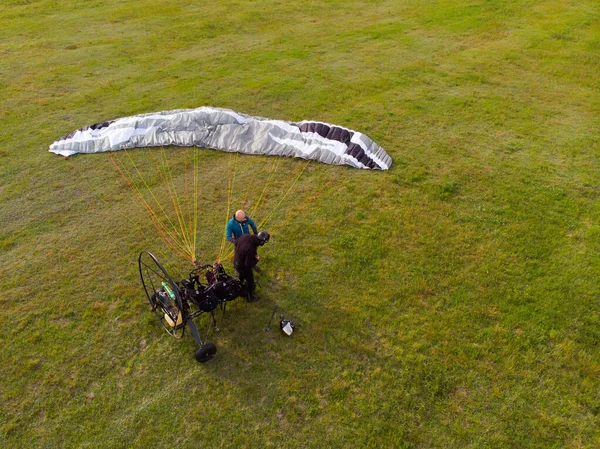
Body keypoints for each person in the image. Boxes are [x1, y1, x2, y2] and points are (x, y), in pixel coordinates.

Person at [234, 231, 270, 302]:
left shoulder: (245, 236)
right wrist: (256, 260)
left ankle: (239, 290)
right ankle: (249, 297)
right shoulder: (251, 249)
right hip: (243, 266)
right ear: (261, 242)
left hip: (236, 261)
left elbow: (236, 243)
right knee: (250, 281)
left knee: (241, 276)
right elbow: (248, 264)